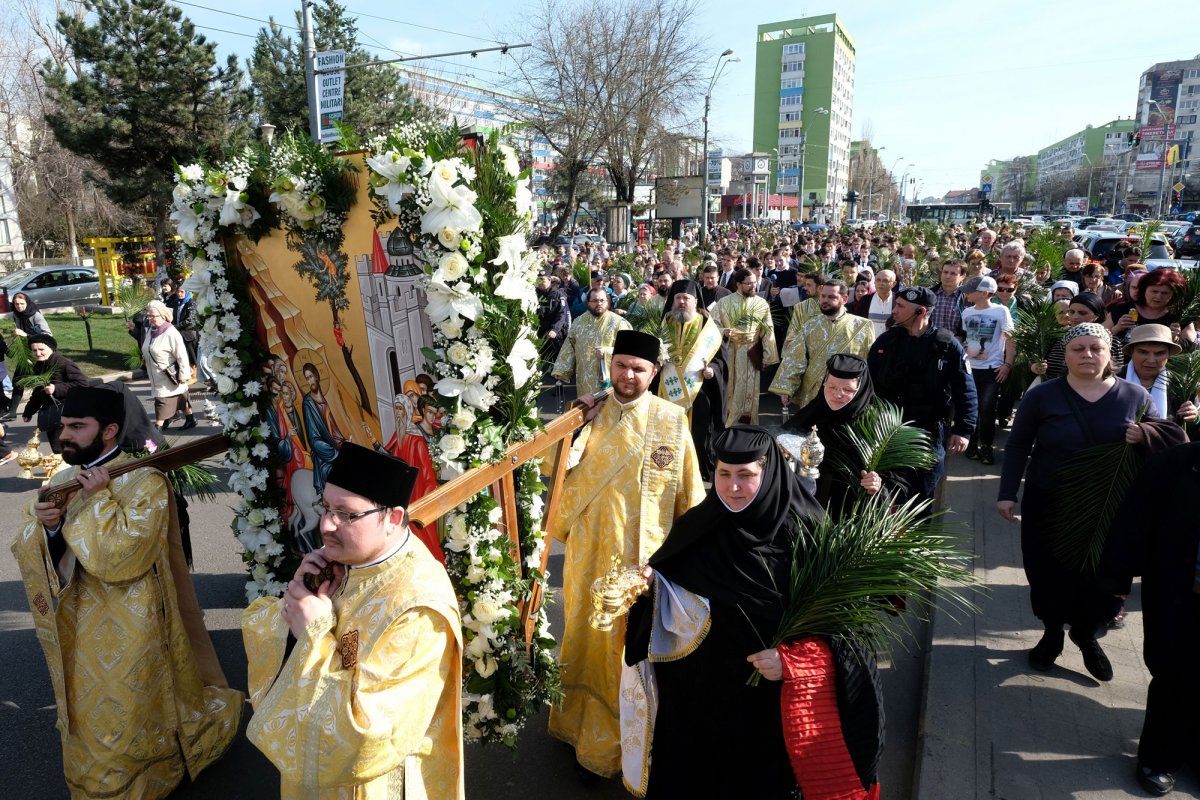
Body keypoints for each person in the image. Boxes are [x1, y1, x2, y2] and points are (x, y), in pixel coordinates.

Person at [13, 386, 242, 798]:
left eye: (77, 426)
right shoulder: (62, 479)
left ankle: (148, 774)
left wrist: (98, 501)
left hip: (135, 620)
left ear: (109, 430)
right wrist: (48, 526)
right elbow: (34, 548)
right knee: (87, 706)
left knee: (130, 707)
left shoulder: (145, 480)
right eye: (63, 426)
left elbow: (124, 557)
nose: (64, 435)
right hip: (78, 619)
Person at [243, 443, 463, 800]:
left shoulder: (419, 609)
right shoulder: (347, 561)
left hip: (375, 781)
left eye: (346, 515)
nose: (326, 524)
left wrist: (314, 632)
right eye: (326, 507)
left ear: (393, 519)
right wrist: (298, 599)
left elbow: (368, 734)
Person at [622, 425, 827, 797]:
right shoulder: (698, 525)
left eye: (745, 476)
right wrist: (654, 584)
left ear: (768, 472)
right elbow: (671, 584)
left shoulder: (807, 534)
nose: (732, 487)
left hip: (764, 702)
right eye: (723, 474)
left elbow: (835, 626)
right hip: (696, 697)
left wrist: (790, 661)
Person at [548, 329, 705, 780]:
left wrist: (682, 562)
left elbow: (690, 496)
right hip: (587, 555)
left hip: (641, 565)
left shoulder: (671, 420)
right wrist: (573, 424)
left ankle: (630, 747)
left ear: (653, 373)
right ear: (610, 366)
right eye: (621, 366)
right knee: (584, 638)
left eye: (638, 369)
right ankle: (578, 730)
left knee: (629, 651)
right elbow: (551, 474)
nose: (628, 375)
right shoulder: (587, 413)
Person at [997, 323, 1185, 682]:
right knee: (1047, 572)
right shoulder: (1043, 396)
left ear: (1109, 354)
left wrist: (1144, 434)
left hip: (1109, 507)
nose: (1087, 355)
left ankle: (1086, 635)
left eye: (1095, 348)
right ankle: (1052, 633)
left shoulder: (1134, 396)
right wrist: (1007, 493)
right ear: (1065, 355)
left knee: (1104, 578)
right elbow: (1018, 444)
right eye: (1078, 348)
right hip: (1048, 500)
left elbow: (1168, 446)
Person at [1100, 442, 1200, 797]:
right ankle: (1159, 758)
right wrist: (1116, 583)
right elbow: (1132, 522)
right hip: (1177, 591)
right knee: (1173, 671)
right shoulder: (1177, 464)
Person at [868, 287, 977, 502]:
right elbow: (868, 383)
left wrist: (964, 430)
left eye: (900, 306)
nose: (894, 310)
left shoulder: (947, 346)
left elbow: (965, 390)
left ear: (920, 312)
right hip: (889, 429)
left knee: (921, 493)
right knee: (885, 493)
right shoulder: (886, 342)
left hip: (927, 432)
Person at [785, 353, 906, 516]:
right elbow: (782, 440)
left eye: (847, 390)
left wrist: (877, 482)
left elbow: (898, 475)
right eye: (831, 387)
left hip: (852, 512)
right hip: (809, 508)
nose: (837, 394)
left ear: (860, 389)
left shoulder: (878, 424)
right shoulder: (814, 412)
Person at [657, 280, 727, 480]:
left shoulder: (707, 325)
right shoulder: (664, 323)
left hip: (699, 389)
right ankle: (666, 468)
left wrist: (713, 370)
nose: (681, 302)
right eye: (678, 298)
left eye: (686, 298)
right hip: (666, 389)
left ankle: (695, 472)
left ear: (695, 301)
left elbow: (721, 359)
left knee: (698, 433)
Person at [771, 278, 875, 411]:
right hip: (812, 391)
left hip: (846, 393)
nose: (825, 300)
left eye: (831, 297)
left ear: (844, 299)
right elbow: (795, 358)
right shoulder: (810, 325)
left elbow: (868, 362)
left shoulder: (862, 326)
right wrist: (787, 387)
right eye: (823, 296)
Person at [710, 268, 779, 425]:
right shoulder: (724, 302)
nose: (753, 286)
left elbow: (768, 330)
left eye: (754, 283)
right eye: (749, 284)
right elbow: (711, 325)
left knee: (750, 390)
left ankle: (748, 424)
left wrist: (768, 356)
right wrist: (722, 331)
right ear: (738, 284)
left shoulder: (761, 303)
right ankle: (727, 424)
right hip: (730, 351)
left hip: (751, 352)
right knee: (730, 388)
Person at [960, 276, 1015, 465]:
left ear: (984, 293)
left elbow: (1011, 339)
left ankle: (986, 446)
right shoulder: (966, 312)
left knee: (987, 408)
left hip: (992, 369)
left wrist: (1007, 365)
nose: (966, 294)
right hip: (969, 368)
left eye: (970, 290)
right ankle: (971, 443)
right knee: (971, 407)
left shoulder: (1001, 311)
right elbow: (966, 337)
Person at [551, 288, 631, 398]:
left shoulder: (618, 323)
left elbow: (629, 350)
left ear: (607, 302)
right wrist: (562, 369)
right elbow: (569, 346)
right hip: (584, 379)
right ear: (588, 302)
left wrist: (607, 352)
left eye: (602, 300)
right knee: (586, 406)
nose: (599, 303)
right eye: (595, 300)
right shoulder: (579, 322)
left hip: (610, 382)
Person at [18, 333, 90, 453]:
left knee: (68, 448)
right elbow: (38, 391)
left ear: (51, 348)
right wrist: (29, 411)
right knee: (58, 448)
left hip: (68, 413)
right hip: (52, 414)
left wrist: (56, 388)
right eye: (34, 350)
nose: (38, 353)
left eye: (41, 349)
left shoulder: (64, 363)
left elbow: (83, 384)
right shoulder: (39, 366)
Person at [132, 299, 195, 430]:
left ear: (162, 315)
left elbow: (182, 355)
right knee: (181, 397)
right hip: (156, 374)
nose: (150, 319)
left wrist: (184, 375)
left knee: (162, 401)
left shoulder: (171, 333)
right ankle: (190, 419)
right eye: (148, 316)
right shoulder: (151, 330)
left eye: (153, 316)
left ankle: (158, 428)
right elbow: (147, 346)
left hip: (169, 375)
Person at [1032, 293, 1125, 381]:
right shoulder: (1055, 336)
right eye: (1071, 312)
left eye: (1082, 313)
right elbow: (1033, 360)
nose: (1074, 316)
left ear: (1096, 316)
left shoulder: (1111, 342)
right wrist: (1035, 367)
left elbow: (1117, 374)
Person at [1122, 324, 1198, 427]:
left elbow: (1190, 429)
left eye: (1159, 353)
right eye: (1143, 352)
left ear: (1168, 355)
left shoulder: (1181, 384)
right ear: (1132, 352)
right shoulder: (1112, 380)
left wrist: (1194, 418)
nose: (1151, 360)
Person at [1107, 268, 1197, 347]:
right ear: (1144, 290)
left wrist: (1175, 338)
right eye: (1154, 291)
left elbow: (1191, 348)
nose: (1158, 297)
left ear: (1173, 295)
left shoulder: (1179, 315)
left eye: (1165, 293)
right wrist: (1116, 328)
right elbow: (1100, 336)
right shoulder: (1122, 309)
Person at [6, 292, 52, 420]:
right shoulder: (16, 315)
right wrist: (12, 340)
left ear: (27, 303)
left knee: (43, 381)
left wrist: (26, 335)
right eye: (16, 304)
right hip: (27, 353)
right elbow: (19, 333)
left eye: (22, 304)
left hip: (41, 353)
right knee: (18, 381)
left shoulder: (36, 315)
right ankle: (12, 412)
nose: (19, 306)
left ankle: (52, 405)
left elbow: (48, 336)